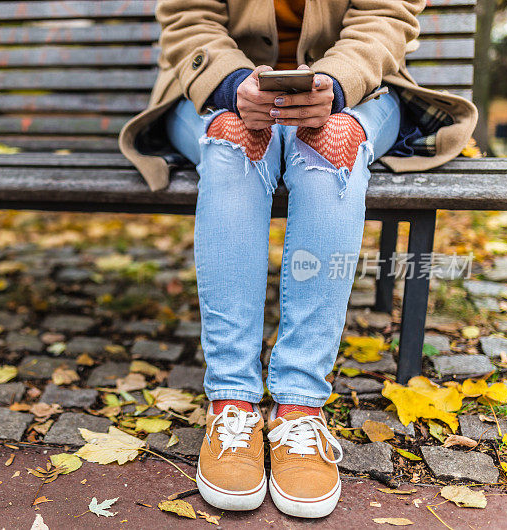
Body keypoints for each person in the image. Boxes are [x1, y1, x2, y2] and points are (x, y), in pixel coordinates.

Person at [118, 0, 478, 519]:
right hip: (208, 90)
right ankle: (232, 403)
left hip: (362, 87)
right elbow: (188, 17)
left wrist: (335, 81)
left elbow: (387, 15)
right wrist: (232, 84)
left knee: (330, 139)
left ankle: (298, 409)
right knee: (235, 136)